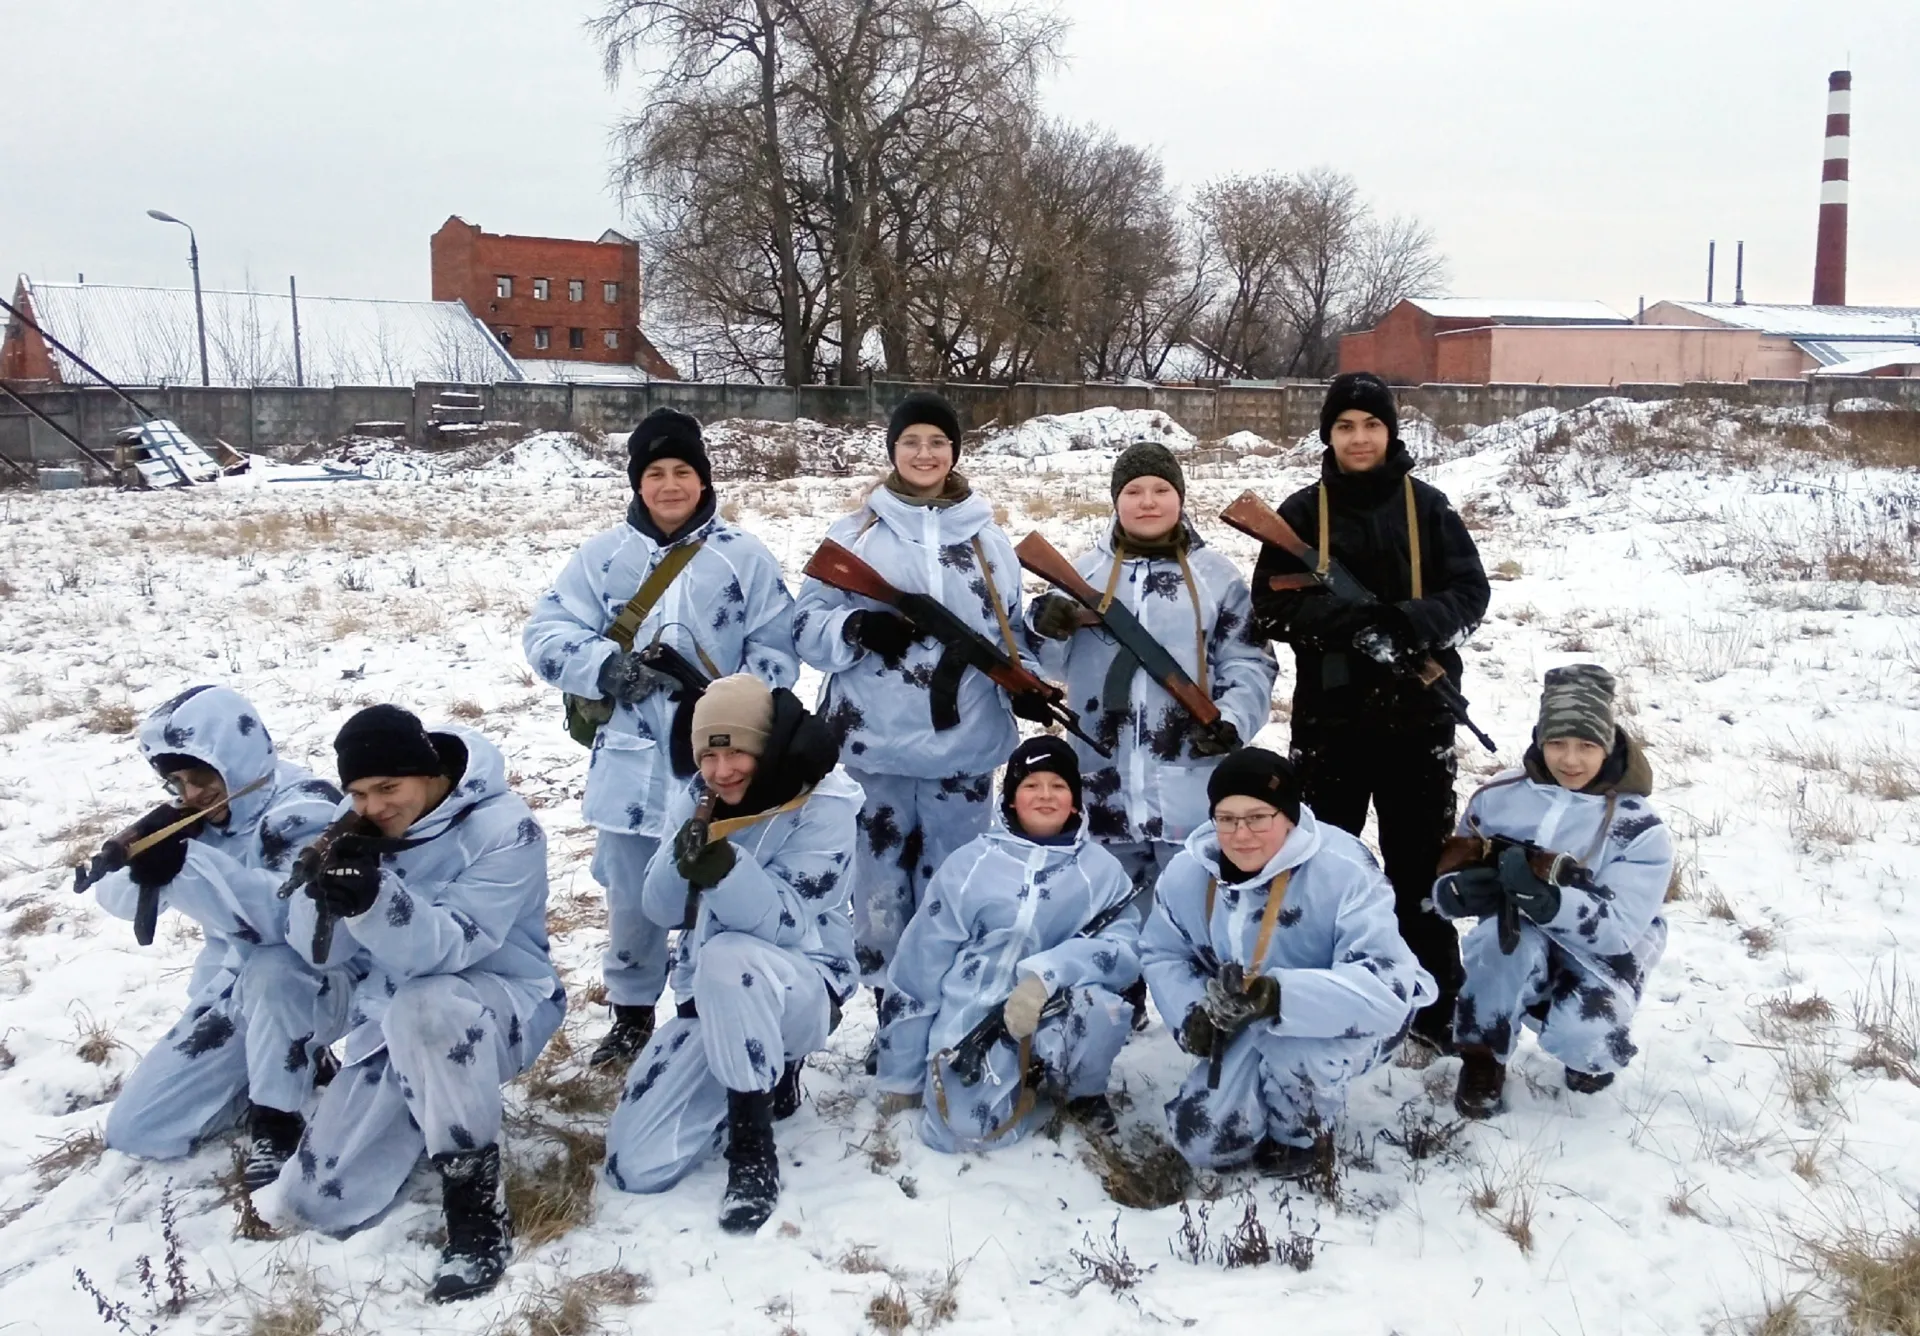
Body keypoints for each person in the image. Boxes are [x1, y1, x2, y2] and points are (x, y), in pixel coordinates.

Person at [524, 406, 796, 1070]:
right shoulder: (603, 558)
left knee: (707, 878)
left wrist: (733, 709)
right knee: (629, 890)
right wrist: (603, 668)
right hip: (627, 759)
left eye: (683, 472)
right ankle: (632, 1011)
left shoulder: (743, 557)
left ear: (703, 480)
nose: (670, 485)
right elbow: (547, 633)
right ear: (637, 484)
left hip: (716, 760)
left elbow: (778, 649)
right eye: (655, 473)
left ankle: (702, 1006)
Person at [264, 705, 565, 1304]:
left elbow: (453, 945)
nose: (374, 806)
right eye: (358, 792)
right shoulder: (354, 823)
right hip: (387, 1013)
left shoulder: (506, 829)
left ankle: (478, 1212)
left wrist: (374, 898)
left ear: (429, 774)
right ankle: (351, 1105)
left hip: (498, 1001)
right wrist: (326, 896)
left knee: (427, 1007)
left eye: (387, 788)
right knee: (316, 1202)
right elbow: (317, 956)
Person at [792, 390, 1038, 1068]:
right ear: (892, 451)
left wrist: (1036, 686)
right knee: (879, 891)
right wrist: (854, 626)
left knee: (954, 887)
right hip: (874, 748)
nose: (925, 454)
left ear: (955, 452)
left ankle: (949, 1014)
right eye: (911, 443)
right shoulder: (855, 536)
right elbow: (803, 627)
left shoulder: (988, 542)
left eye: (937, 442)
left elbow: (1010, 632)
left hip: (963, 749)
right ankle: (890, 1018)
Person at [1249, 372, 1490, 1052]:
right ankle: (1322, 996)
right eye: (1346, 426)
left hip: (1420, 724)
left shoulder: (1429, 509)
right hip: (1332, 727)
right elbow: (1269, 604)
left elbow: (1471, 593)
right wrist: (1355, 625)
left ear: (1391, 433)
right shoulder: (1300, 514)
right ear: (1328, 435)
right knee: (1325, 866)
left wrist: (1409, 624)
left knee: (1419, 871)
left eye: (1371, 426)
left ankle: (1437, 1004)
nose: (1359, 438)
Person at [1025, 441, 1277, 1023]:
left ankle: (1207, 1011)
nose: (1147, 501)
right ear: (1115, 502)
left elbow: (1249, 662)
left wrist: (1232, 720)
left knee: (1198, 900)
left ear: (1181, 499)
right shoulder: (1081, 573)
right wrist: (1046, 624)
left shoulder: (1217, 578)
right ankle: (1116, 1007)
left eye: (1160, 490)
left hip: (1188, 777)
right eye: (1133, 491)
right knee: (1111, 902)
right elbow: (1046, 664)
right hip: (1101, 775)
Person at [602, 674, 860, 1235]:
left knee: (728, 955)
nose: (722, 771)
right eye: (708, 756)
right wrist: (683, 855)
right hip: (713, 996)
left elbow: (789, 924)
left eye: (736, 751)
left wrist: (726, 870)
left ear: (764, 747)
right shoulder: (696, 796)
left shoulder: (825, 803)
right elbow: (660, 909)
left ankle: (752, 1151)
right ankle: (754, 1078)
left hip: (803, 989)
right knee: (636, 1165)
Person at [77, 685, 348, 1189]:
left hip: (322, 980)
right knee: (140, 1129)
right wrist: (146, 861)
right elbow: (114, 898)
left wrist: (185, 867)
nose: (190, 795)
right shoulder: (203, 817)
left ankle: (278, 1116)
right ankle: (292, 1061)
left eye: (201, 777)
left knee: (273, 969)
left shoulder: (306, 808)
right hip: (237, 992)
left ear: (236, 758)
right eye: (176, 782)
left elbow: (282, 922)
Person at [1140, 748, 1435, 1177]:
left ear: (1289, 817)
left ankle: (1303, 1137)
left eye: (1258, 817)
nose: (1241, 835)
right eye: (1227, 819)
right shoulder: (1189, 871)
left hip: (1354, 1015)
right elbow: (1163, 950)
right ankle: (1260, 1094)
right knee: (1205, 1140)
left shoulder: (1344, 868)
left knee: (1297, 1051)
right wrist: (1193, 1015)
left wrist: (1280, 997)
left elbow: (1386, 986)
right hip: (1248, 1016)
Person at [874, 736, 1140, 1149]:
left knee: (1100, 1009)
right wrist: (900, 1076)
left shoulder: (1101, 872)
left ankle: (1078, 1093)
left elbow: (1124, 950)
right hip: (973, 1016)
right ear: (1011, 798)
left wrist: (1046, 977)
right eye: (1031, 785)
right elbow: (918, 968)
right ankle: (1019, 1091)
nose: (1045, 796)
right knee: (960, 1133)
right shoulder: (969, 864)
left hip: (1054, 1011)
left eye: (1059, 785)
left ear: (1075, 800)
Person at [1436, 665, 1673, 1119]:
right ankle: (1483, 1055)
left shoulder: (1638, 826)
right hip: (1519, 931)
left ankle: (1589, 1056)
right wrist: (1456, 892)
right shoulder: (1499, 795)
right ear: (1539, 739)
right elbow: (1456, 860)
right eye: (1557, 743)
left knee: (1584, 1036)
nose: (1570, 760)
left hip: (1606, 949)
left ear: (1608, 745)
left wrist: (1551, 901)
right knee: (1493, 949)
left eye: (1587, 746)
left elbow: (1622, 929)